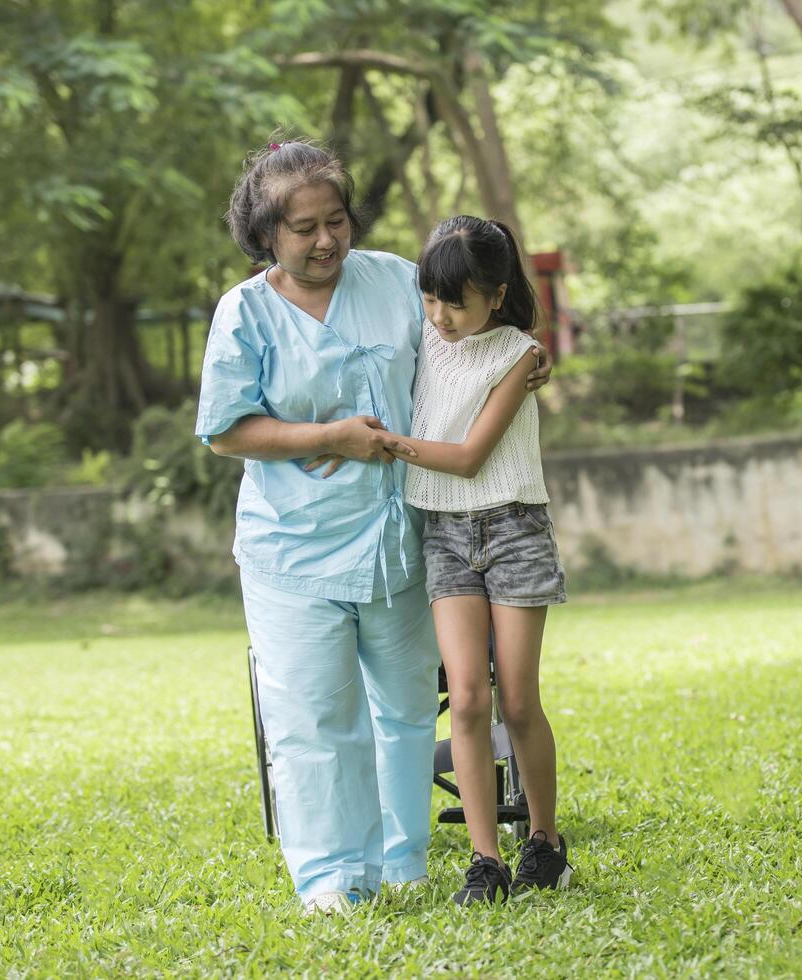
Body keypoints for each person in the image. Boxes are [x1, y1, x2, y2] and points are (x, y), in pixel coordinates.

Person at [195, 142, 549, 915]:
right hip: (292, 546)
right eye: (302, 228)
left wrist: (525, 361)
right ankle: (329, 878)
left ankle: (402, 862)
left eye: (336, 220)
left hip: (403, 537)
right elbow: (225, 432)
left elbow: (467, 341)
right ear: (264, 237)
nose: (325, 240)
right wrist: (325, 436)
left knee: (401, 710)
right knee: (314, 713)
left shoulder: (394, 279)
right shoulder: (244, 312)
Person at [376, 215, 571, 905]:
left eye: (456, 301)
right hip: (446, 536)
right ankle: (484, 860)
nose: (440, 314)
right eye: (431, 299)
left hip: (512, 528)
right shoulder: (425, 336)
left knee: (516, 701)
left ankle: (543, 843)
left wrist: (383, 443)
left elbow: (466, 458)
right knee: (464, 697)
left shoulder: (517, 354)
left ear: (496, 293)